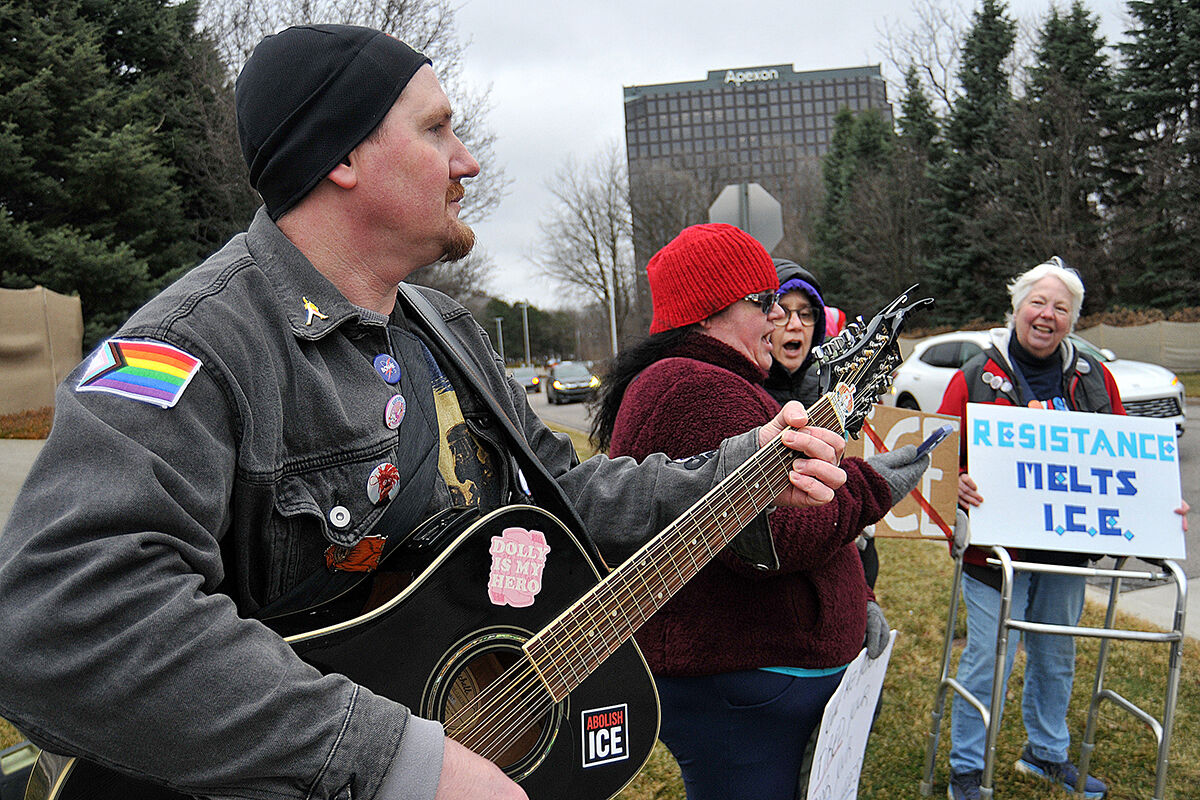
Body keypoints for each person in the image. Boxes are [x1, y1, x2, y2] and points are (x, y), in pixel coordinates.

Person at [0, 26, 851, 800]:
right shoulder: (196, 350)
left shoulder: (446, 332)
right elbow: (58, 617)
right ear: (341, 155)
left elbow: (564, 499)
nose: (468, 160)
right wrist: (395, 760)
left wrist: (739, 470)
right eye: (437, 128)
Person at [590, 223, 930, 800]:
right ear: (710, 309)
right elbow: (770, 535)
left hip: (748, 679)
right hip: (741, 681)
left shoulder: (705, 381)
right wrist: (872, 487)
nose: (781, 317)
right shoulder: (695, 386)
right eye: (766, 302)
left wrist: (860, 597)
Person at [939, 257, 1188, 800]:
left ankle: (1045, 754)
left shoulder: (1093, 377)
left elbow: (1130, 459)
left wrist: (1160, 502)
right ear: (1016, 308)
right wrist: (953, 482)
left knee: (1056, 659)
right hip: (993, 555)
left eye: (1061, 308)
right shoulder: (975, 375)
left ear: (1073, 320)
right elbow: (934, 454)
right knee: (989, 661)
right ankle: (965, 766)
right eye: (1038, 303)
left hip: (1067, 550)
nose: (1047, 315)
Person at [764, 259, 882, 591]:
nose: (795, 324)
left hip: (841, 565)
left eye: (806, 313)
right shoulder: (744, 391)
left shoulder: (833, 391)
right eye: (783, 310)